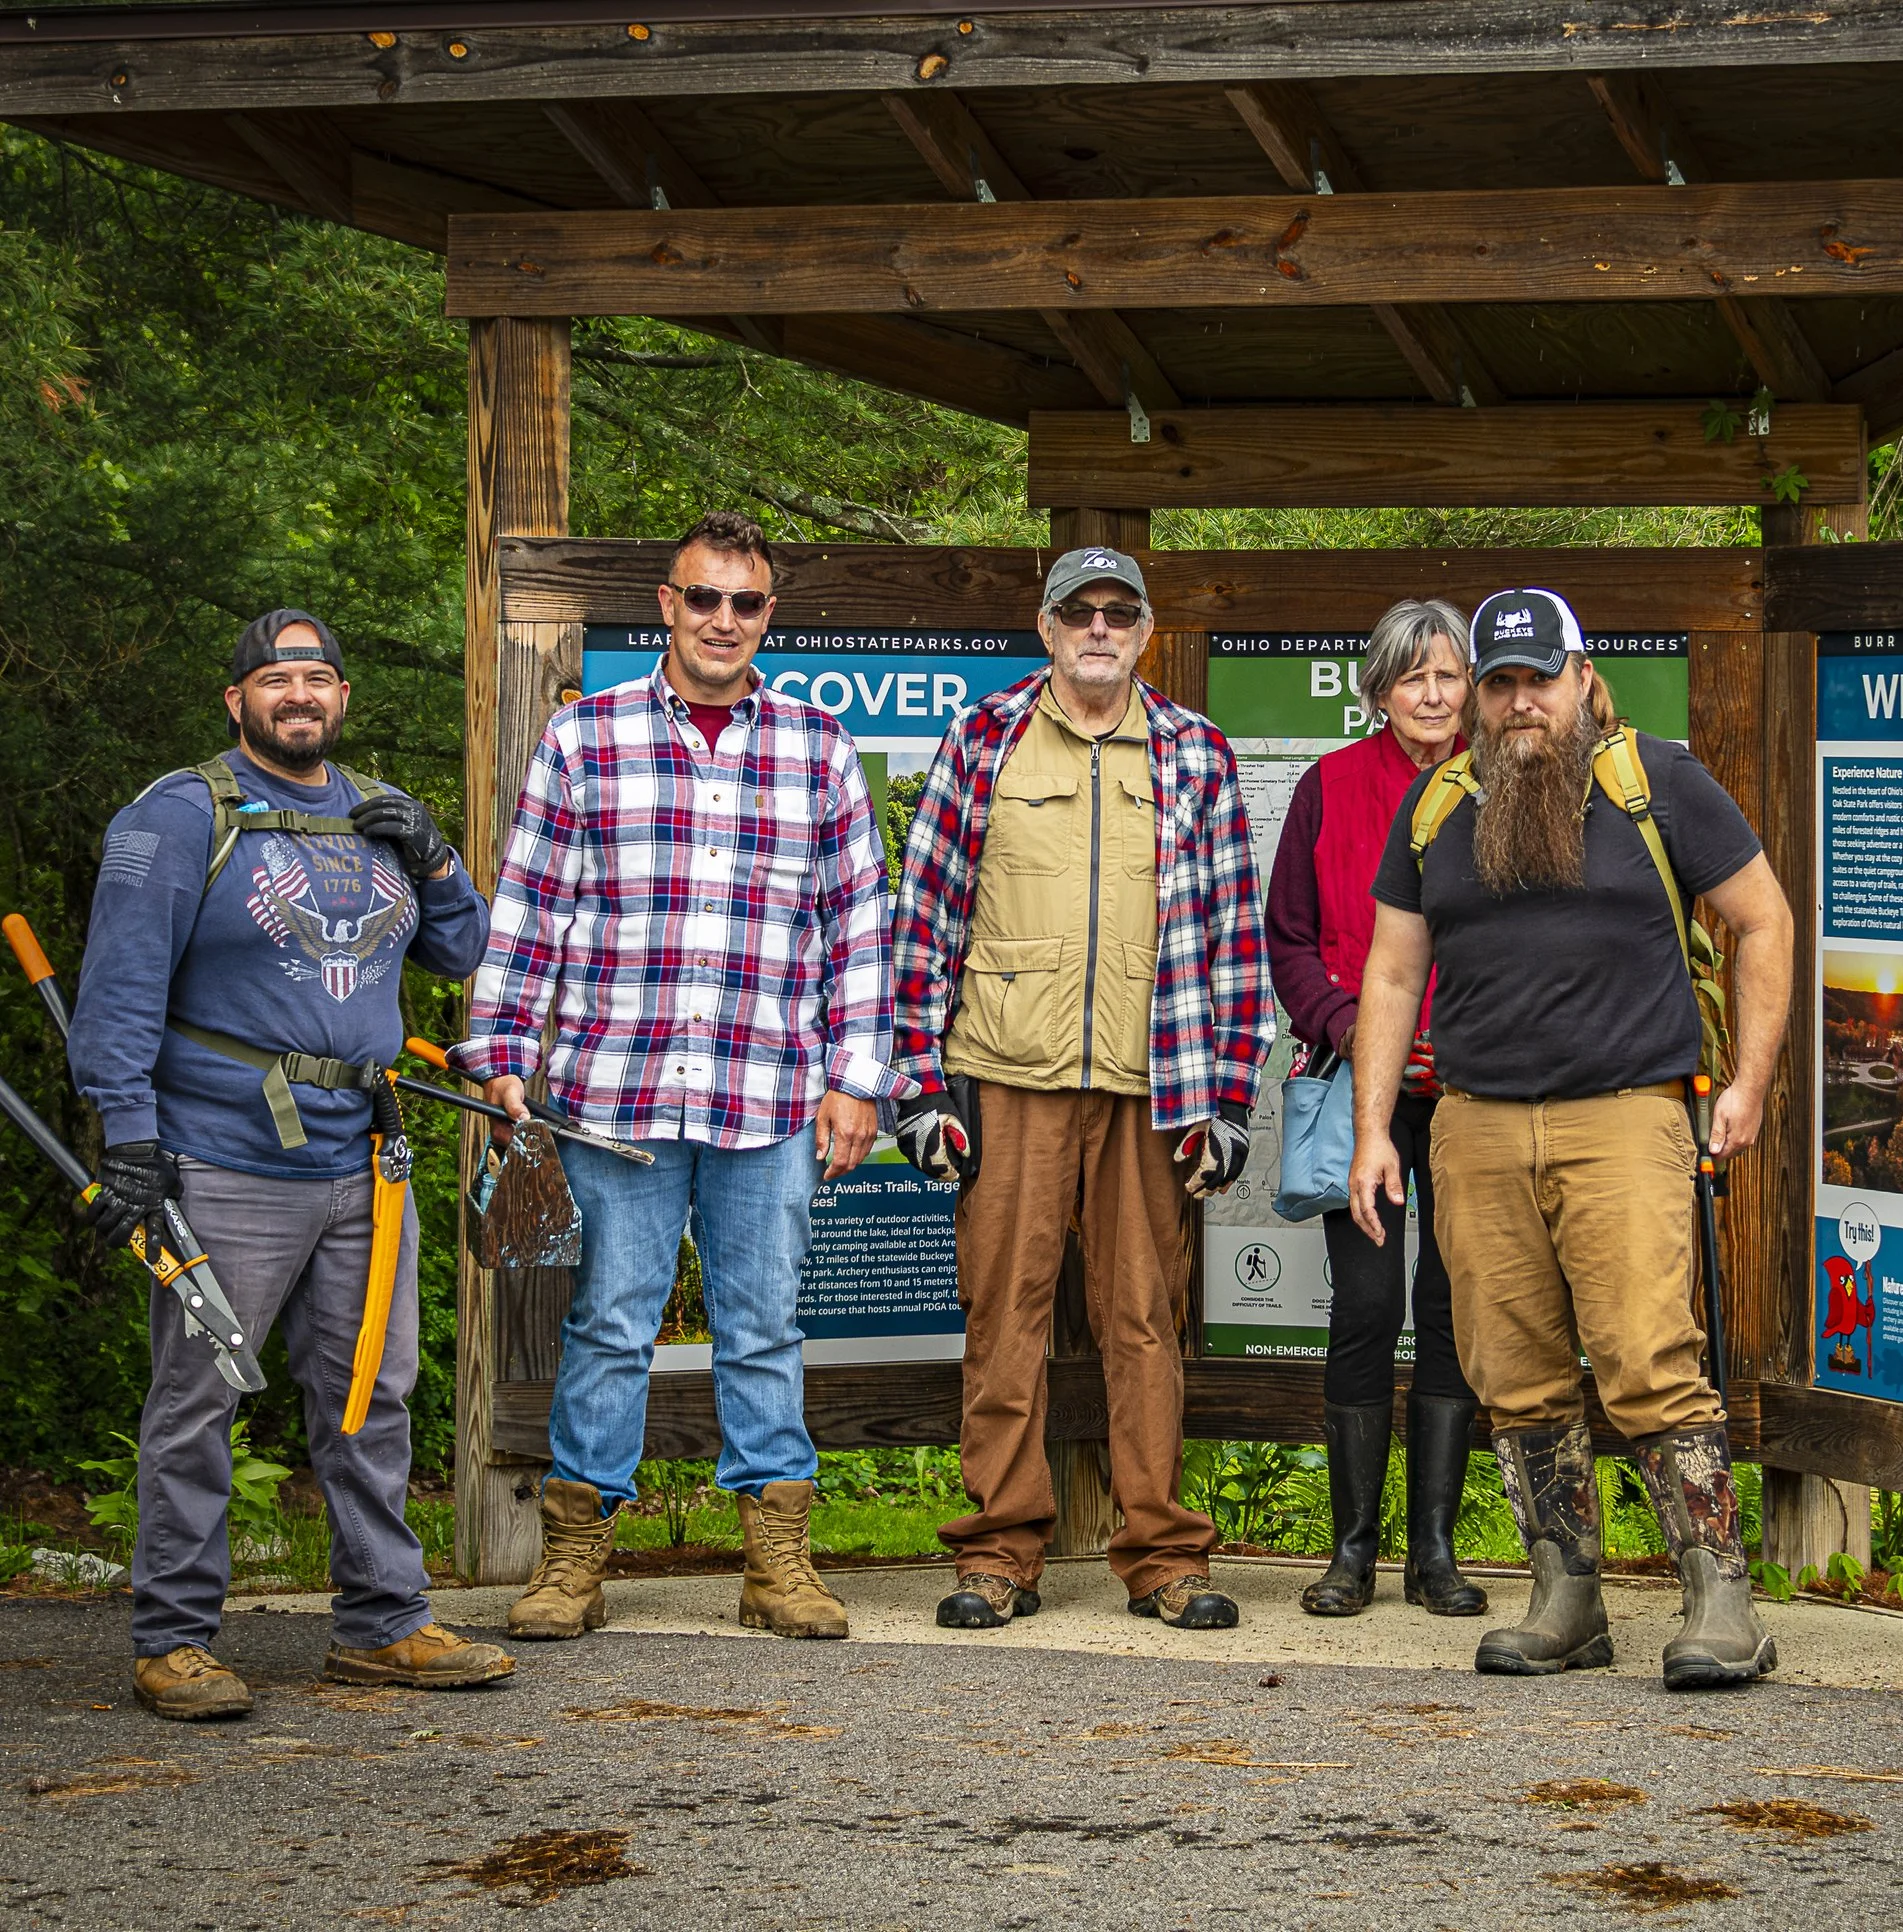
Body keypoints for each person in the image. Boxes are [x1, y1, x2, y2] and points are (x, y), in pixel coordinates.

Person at [454, 511, 901, 1645]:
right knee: (609, 1324)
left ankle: (777, 1561)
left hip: (768, 1098)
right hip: (616, 1098)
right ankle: (574, 1559)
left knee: (764, 1326)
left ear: (767, 616)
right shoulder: (585, 739)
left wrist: (857, 1078)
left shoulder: (817, 746)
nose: (722, 621)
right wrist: (502, 1052)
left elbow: (858, 930)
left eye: (745, 604)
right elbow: (528, 912)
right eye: (702, 599)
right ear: (665, 605)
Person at [71, 609, 512, 1718]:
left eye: (317, 677)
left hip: (363, 1161)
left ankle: (382, 1623)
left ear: (343, 697)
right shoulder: (180, 816)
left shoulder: (377, 818)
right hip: (221, 1156)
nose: (299, 695)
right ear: (238, 702)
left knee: (373, 1396)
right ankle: (172, 1638)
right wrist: (128, 1135)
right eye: (276, 678)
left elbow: (468, 955)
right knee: (197, 1398)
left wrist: (435, 856)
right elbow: (118, 990)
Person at [1349, 588, 1794, 1685]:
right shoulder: (1441, 806)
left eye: (1534, 679)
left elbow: (1763, 919)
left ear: (1582, 679)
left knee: (1649, 1355)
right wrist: (1372, 1130)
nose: (1515, 704)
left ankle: (1719, 1598)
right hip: (1476, 1128)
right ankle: (1565, 1598)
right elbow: (1393, 970)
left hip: (1626, 1114)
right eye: (1496, 685)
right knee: (1514, 1372)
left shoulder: (1658, 784)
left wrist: (1748, 1080)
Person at [890, 544, 1272, 1631]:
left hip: (1157, 1082)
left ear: (1145, 631)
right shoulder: (985, 739)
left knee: (1144, 1320)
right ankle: (998, 1553)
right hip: (1004, 1073)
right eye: (1079, 612)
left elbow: (1231, 942)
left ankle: (1162, 1556)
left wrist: (1230, 1100)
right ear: (1049, 629)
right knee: (1003, 1314)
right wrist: (919, 1084)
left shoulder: (1195, 751)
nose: (1099, 628)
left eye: (1119, 611)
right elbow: (925, 919)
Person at [1264, 598, 1487, 1619]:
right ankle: (1350, 1550)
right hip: (1361, 1091)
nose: (1432, 695)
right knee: (1364, 1308)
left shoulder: (1503, 783)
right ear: (1379, 690)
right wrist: (1357, 1030)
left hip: (1477, 1088)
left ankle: (1434, 1555)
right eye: (1412, 677)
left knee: (1452, 1310)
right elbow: (1290, 940)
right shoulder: (1330, 788)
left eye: (1447, 675)